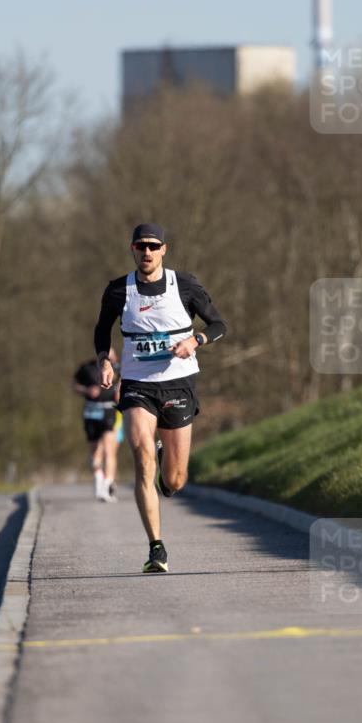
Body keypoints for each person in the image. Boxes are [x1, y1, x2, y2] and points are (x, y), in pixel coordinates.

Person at [94, 223, 226, 572]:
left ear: (164, 249)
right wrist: (105, 361)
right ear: (132, 250)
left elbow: (218, 325)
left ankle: (166, 462)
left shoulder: (183, 285)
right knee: (141, 457)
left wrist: (195, 341)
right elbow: (101, 330)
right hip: (137, 384)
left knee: (175, 480)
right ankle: (156, 548)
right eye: (141, 246)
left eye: (153, 246)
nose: (147, 252)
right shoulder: (118, 290)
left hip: (178, 384)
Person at [73, 350, 122, 502]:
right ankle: (98, 480)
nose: (110, 357)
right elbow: (74, 385)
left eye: (112, 354)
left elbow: (125, 382)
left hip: (109, 410)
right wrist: (86, 390)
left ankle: (107, 485)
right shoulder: (86, 368)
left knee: (109, 448)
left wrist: (120, 392)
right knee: (94, 453)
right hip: (91, 411)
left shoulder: (119, 368)